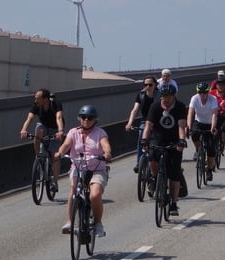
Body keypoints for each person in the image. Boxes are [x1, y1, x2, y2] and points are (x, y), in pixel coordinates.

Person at [56, 104, 112, 238]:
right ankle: (70, 222)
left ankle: (98, 223)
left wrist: (107, 153)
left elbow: (106, 146)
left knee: (95, 195)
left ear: (95, 120)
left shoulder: (100, 133)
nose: (86, 120)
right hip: (78, 167)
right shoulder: (73, 132)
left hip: (96, 169)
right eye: (83, 117)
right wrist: (60, 152)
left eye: (90, 118)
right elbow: (66, 144)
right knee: (73, 191)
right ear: (79, 119)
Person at [141, 84, 188, 217]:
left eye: (168, 97)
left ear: (174, 96)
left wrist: (182, 140)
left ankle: (173, 203)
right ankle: (155, 177)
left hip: (174, 141)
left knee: (174, 172)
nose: (165, 100)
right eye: (163, 97)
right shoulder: (155, 106)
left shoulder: (179, 106)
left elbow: (181, 126)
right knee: (151, 156)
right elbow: (149, 125)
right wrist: (144, 139)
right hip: (158, 138)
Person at [19, 88, 65, 192]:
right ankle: (38, 157)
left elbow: (59, 118)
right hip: (43, 126)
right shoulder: (36, 106)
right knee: (38, 131)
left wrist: (60, 131)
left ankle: (55, 182)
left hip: (55, 129)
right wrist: (24, 130)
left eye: (37, 99)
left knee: (54, 155)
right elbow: (29, 119)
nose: (35, 101)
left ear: (45, 99)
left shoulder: (55, 104)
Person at [187, 81, 219, 182]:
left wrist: (213, 127)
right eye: (200, 92)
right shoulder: (194, 98)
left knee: (210, 149)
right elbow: (190, 113)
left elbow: (214, 114)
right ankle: (198, 150)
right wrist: (188, 126)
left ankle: (209, 170)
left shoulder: (213, 99)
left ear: (208, 92)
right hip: (199, 121)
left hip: (210, 123)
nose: (202, 95)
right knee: (194, 135)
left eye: (205, 92)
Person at [124, 76, 158, 172]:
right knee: (141, 137)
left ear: (155, 85)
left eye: (150, 84)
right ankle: (139, 163)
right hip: (145, 121)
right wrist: (129, 123)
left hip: (157, 122)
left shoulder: (159, 95)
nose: (148, 86)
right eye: (145, 84)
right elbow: (135, 110)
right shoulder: (141, 95)